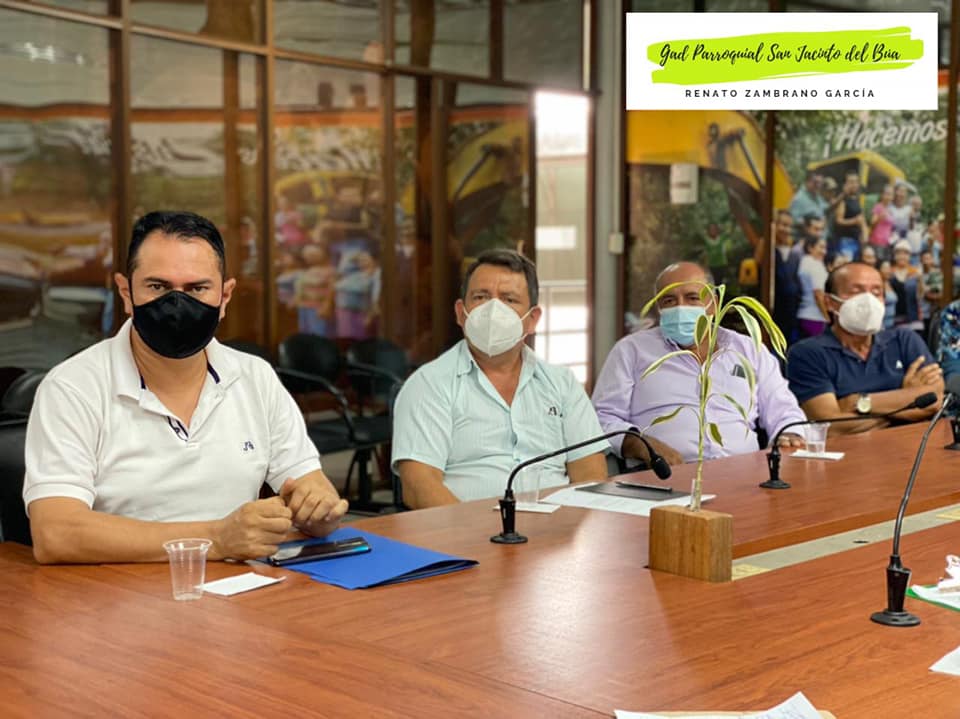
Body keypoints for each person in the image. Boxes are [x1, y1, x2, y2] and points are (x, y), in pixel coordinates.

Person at [23, 211, 348, 564]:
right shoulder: (73, 387)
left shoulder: (255, 377)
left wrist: (319, 509)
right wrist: (216, 539)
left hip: (237, 588)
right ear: (126, 293)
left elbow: (310, 487)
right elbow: (56, 533)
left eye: (197, 289)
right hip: (117, 591)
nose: (177, 305)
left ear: (225, 296)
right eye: (158, 287)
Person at [391, 249, 606, 508]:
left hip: (557, 526)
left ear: (532, 319)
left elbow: (590, 476)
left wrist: (567, 528)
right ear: (461, 313)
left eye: (509, 299)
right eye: (481, 297)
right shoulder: (428, 384)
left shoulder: (562, 384)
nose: (493, 310)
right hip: (465, 528)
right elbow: (419, 487)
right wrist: (478, 531)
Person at [591, 262, 806, 467]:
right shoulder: (632, 350)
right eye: (669, 300)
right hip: (662, 476)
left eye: (692, 298)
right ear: (658, 307)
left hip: (744, 474)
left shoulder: (749, 350)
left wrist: (789, 434)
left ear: (714, 304)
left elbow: (784, 408)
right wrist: (640, 444)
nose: (680, 307)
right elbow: (602, 418)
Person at [785, 261, 943, 435]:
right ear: (829, 302)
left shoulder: (904, 340)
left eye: (877, 292)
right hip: (847, 451)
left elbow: (935, 400)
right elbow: (830, 427)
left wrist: (858, 402)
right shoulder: (807, 353)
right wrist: (905, 400)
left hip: (912, 445)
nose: (868, 300)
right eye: (856, 291)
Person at [771, 209, 802, 343]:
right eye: (783, 225)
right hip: (774, 310)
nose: (787, 230)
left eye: (790, 226)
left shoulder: (795, 252)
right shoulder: (768, 248)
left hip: (792, 311)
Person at [795, 233, 830, 338]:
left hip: (804, 315)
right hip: (815, 317)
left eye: (825, 248)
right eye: (821, 247)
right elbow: (818, 294)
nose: (824, 252)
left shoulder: (804, 262)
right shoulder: (815, 266)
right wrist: (827, 318)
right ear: (810, 247)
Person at [889, 240, 924, 333]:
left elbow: (921, 295)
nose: (902, 256)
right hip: (894, 318)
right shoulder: (889, 272)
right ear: (894, 255)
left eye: (905, 253)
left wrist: (920, 280)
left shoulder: (915, 272)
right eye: (898, 253)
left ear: (909, 256)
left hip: (913, 317)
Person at [833, 171, 868, 261]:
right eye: (851, 182)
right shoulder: (843, 200)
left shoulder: (856, 200)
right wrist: (854, 221)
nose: (854, 185)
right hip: (845, 241)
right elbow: (838, 220)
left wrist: (864, 235)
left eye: (856, 182)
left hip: (856, 241)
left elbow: (862, 220)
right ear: (845, 184)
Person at [868, 184, 894, 262]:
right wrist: (879, 218)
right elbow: (872, 222)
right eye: (887, 194)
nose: (888, 197)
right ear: (882, 195)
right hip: (877, 242)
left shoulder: (890, 209)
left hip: (887, 243)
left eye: (890, 194)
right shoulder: (878, 207)